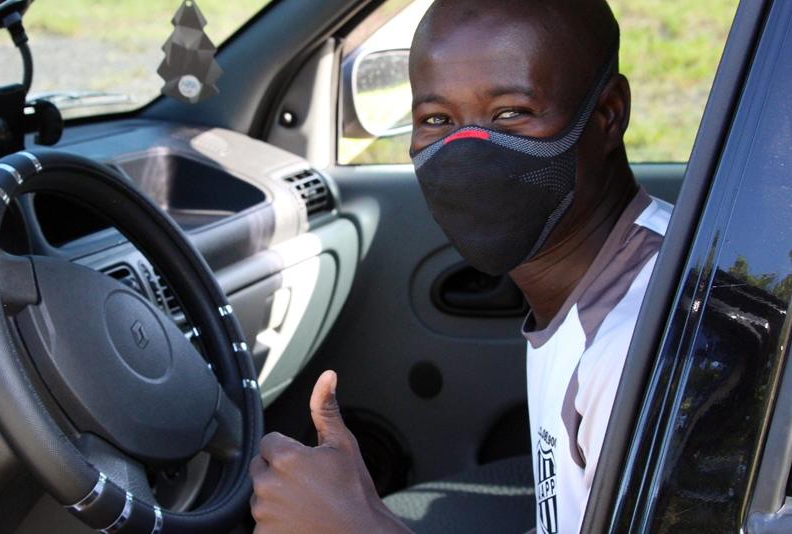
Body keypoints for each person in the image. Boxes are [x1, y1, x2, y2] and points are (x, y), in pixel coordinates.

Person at [249, 0, 672, 532]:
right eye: (437, 120)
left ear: (608, 114)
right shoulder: (605, 278)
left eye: (510, 113)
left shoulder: (635, 345)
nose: (468, 152)